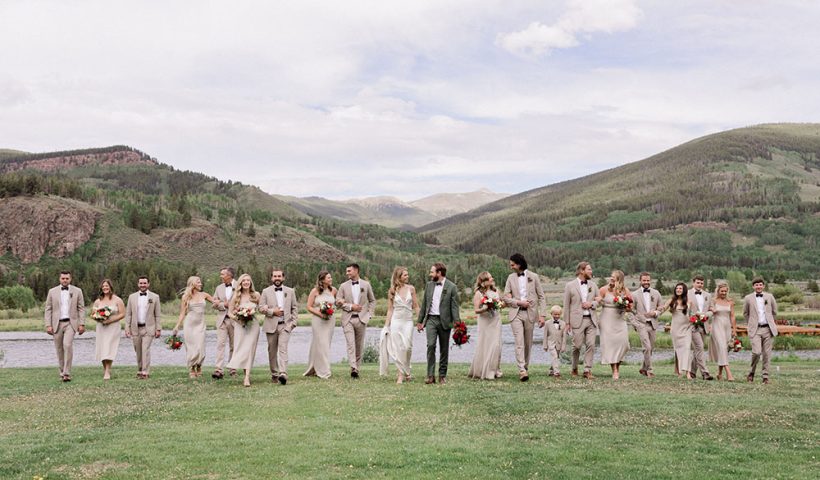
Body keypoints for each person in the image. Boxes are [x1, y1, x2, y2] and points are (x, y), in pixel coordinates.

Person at [502, 253, 546, 381]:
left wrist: (542, 315)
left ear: (519, 264)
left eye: (512, 264)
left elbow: (542, 297)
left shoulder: (534, 277)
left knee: (528, 343)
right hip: (516, 313)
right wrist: (518, 302)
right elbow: (505, 296)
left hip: (531, 313)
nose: (511, 267)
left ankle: (525, 367)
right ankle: (521, 369)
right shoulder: (510, 278)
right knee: (519, 341)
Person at [417, 262, 460, 385]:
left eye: (432, 272)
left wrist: (458, 324)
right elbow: (424, 304)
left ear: (439, 273)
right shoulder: (429, 285)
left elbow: (455, 308)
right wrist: (420, 321)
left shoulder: (452, 287)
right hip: (431, 320)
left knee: (444, 349)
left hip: (445, 321)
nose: (430, 274)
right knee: (430, 345)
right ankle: (430, 376)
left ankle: (442, 376)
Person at [335, 263, 376, 378]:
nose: (347, 273)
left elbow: (372, 301)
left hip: (362, 319)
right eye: (346, 271)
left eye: (349, 271)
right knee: (350, 344)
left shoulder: (366, 284)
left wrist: (369, 315)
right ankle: (353, 366)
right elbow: (338, 302)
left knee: (359, 345)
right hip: (347, 319)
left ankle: (356, 369)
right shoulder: (343, 286)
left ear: (356, 270)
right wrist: (350, 306)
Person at [44, 270, 86, 382]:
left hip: (71, 323)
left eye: (67, 278)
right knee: (59, 349)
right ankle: (62, 372)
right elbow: (48, 309)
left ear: (70, 279)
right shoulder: (52, 291)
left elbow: (81, 308)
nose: (65, 280)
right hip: (56, 324)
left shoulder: (77, 291)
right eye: (63, 278)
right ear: (60, 279)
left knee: (67, 345)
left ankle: (67, 373)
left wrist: (82, 323)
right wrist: (48, 324)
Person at [259, 269, 298, 385]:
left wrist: (293, 323)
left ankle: (283, 373)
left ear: (283, 278)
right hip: (271, 326)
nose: (277, 278)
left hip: (285, 326)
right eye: (275, 276)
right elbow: (260, 308)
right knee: (272, 351)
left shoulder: (290, 291)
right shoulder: (265, 291)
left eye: (279, 276)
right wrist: (272, 312)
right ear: (272, 278)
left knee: (283, 349)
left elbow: (294, 308)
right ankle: (274, 374)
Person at [172, 276, 216, 379]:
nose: (201, 284)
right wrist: (177, 326)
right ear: (193, 284)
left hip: (200, 324)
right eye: (198, 282)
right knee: (191, 347)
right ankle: (192, 368)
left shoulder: (204, 295)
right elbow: (182, 313)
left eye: (200, 282)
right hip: (189, 324)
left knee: (200, 347)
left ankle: (199, 366)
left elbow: (216, 302)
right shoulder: (186, 297)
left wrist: (224, 303)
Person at [383, 266, 419, 383]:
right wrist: (386, 325)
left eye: (407, 274)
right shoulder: (392, 290)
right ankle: (400, 374)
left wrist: (420, 320)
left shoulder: (411, 289)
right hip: (396, 322)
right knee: (398, 348)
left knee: (408, 346)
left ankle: (407, 370)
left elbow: (416, 306)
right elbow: (390, 309)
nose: (407, 276)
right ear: (399, 277)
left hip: (408, 321)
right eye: (405, 275)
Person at [563, 262, 598, 379]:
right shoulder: (569, 285)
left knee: (591, 345)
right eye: (589, 269)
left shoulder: (593, 285)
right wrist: (567, 323)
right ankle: (574, 367)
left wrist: (591, 304)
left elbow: (599, 300)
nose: (591, 272)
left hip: (591, 319)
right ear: (582, 271)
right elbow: (566, 305)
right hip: (576, 320)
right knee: (577, 346)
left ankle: (587, 370)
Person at [226, 273, 261, 387]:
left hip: (253, 326)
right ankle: (243, 371)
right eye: (244, 281)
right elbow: (229, 313)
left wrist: (254, 312)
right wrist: (238, 318)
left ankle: (247, 377)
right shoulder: (236, 296)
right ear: (240, 283)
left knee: (250, 349)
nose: (246, 282)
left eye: (248, 280)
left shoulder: (256, 295)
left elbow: (260, 309)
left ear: (251, 282)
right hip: (240, 326)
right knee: (242, 349)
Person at [124, 276, 162, 379]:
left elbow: (157, 315)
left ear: (148, 284)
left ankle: (145, 371)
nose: (142, 285)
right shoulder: (132, 297)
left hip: (149, 328)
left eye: (144, 283)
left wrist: (158, 329)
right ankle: (140, 369)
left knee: (145, 349)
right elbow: (128, 314)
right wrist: (127, 328)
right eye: (141, 283)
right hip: (135, 328)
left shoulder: (155, 297)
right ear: (138, 284)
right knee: (138, 350)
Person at [468, 271, 504, 380]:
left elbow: (501, 303)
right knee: (485, 344)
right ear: (484, 281)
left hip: (496, 320)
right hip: (485, 322)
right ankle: (483, 370)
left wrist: (499, 305)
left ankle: (494, 370)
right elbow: (476, 310)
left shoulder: (496, 290)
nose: (492, 279)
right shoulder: (479, 293)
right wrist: (485, 308)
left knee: (496, 345)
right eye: (490, 277)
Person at [596, 270, 631, 380]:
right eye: (611, 276)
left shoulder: (625, 290)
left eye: (614, 277)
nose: (611, 279)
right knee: (610, 345)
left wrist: (624, 304)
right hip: (606, 318)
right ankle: (614, 370)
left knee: (624, 344)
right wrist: (599, 301)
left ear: (619, 279)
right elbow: (597, 303)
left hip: (620, 319)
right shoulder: (603, 289)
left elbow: (630, 307)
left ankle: (617, 366)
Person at [744, 278, 779, 384]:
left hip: (768, 329)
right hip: (755, 329)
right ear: (753, 287)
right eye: (756, 285)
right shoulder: (748, 298)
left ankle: (765, 376)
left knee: (767, 354)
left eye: (760, 285)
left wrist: (770, 322)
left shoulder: (769, 297)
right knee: (756, 352)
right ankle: (751, 373)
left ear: (763, 286)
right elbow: (745, 313)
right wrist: (751, 324)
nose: (758, 286)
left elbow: (774, 311)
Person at [304, 271, 337, 379]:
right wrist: (320, 314)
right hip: (318, 321)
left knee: (324, 344)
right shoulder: (315, 291)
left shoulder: (334, 290)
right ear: (322, 280)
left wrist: (332, 310)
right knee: (322, 344)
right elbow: (309, 307)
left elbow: (335, 304)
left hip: (330, 321)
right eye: (328, 277)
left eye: (330, 277)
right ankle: (324, 371)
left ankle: (314, 368)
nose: (330, 279)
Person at [630, 272, 663, 378]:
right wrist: (636, 324)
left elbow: (661, 307)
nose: (646, 282)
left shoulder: (656, 293)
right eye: (644, 280)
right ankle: (650, 370)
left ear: (650, 280)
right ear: (640, 281)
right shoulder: (634, 294)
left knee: (651, 348)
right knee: (647, 347)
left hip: (653, 323)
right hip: (641, 324)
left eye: (648, 280)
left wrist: (656, 313)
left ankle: (643, 368)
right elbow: (630, 311)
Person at [92, 279, 125, 380]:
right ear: (101, 288)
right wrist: (99, 317)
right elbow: (93, 314)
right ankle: (105, 369)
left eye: (107, 286)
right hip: (101, 327)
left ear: (110, 287)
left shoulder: (117, 300)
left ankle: (107, 371)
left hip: (113, 327)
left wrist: (110, 321)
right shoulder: (98, 301)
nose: (105, 288)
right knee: (102, 348)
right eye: (103, 286)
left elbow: (122, 314)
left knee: (109, 347)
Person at [211, 267, 237, 379]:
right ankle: (218, 369)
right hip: (222, 320)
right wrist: (223, 305)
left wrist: (227, 304)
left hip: (235, 320)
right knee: (220, 344)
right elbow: (213, 303)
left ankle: (233, 368)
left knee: (233, 345)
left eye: (222, 274)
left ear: (229, 275)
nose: (220, 276)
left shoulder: (239, 286)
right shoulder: (218, 288)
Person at [708, 282, 737, 381]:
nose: (724, 293)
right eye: (722, 291)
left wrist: (734, 329)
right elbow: (709, 313)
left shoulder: (730, 302)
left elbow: (732, 316)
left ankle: (719, 373)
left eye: (725, 291)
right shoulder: (713, 301)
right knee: (722, 347)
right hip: (717, 326)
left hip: (727, 326)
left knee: (725, 349)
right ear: (718, 291)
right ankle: (729, 374)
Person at [666, 282, 694, 379]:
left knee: (687, 348)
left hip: (687, 328)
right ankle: (680, 371)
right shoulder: (671, 301)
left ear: (684, 290)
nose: (678, 290)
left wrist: (699, 319)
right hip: (676, 329)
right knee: (678, 350)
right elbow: (663, 308)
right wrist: (656, 312)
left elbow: (692, 315)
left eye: (680, 288)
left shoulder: (689, 302)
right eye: (677, 288)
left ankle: (688, 372)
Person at [688, 275, 714, 380]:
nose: (700, 285)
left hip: (704, 325)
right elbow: (685, 309)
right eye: (698, 282)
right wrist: (695, 315)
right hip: (692, 325)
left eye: (702, 283)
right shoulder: (687, 293)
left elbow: (712, 309)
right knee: (699, 347)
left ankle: (692, 372)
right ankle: (705, 372)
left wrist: (706, 315)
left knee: (697, 350)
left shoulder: (708, 295)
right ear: (693, 283)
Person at [542, 305, 567, 378]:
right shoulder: (547, 323)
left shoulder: (563, 323)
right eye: (555, 314)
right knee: (554, 356)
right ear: (551, 314)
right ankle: (556, 373)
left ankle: (551, 370)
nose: (557, 316)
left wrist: (563, 346)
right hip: (551, 344)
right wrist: (545, 345)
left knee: (556, 358)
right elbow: (545, 335)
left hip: (559, 344)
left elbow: (564, 336)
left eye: (558, 314)